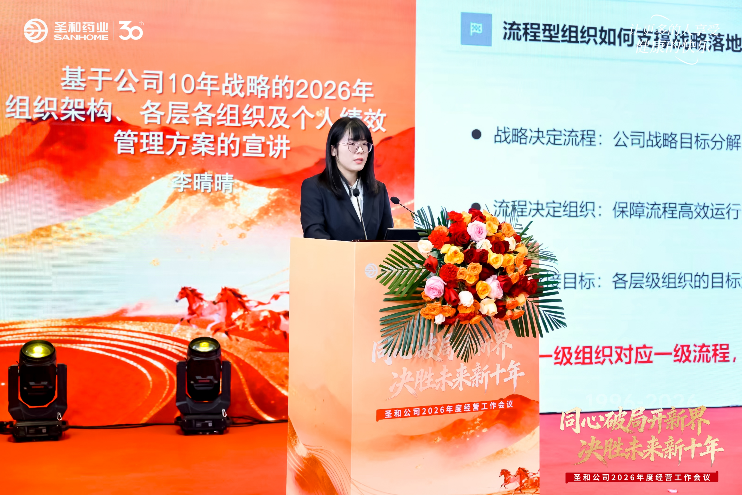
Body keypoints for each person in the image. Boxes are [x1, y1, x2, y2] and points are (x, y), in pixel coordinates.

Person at [300, 117, 394, 241]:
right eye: (352, 144)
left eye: (364, 144)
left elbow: (387, 238)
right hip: (332, 254)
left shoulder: (379, 189)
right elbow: (315, 236)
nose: (360, 150)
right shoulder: (314, 187)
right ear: (333, 150)